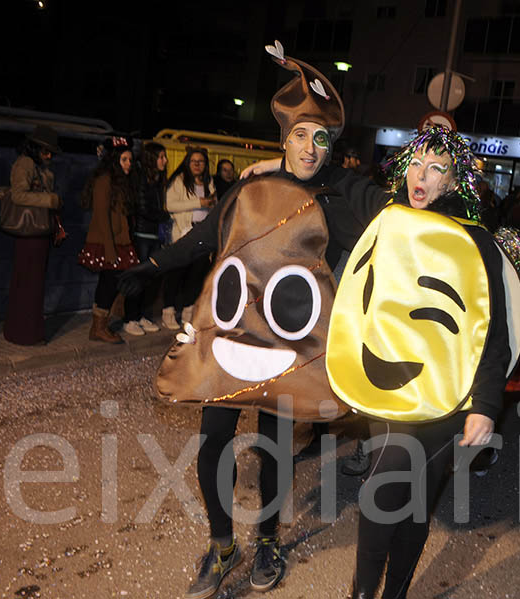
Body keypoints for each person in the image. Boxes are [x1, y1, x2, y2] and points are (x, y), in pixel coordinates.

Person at [120, 41, 389, 598]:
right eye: (300, 136)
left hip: (290, 347)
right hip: (233, 332)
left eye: (321, 138)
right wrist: (150, 266)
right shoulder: (248, 188)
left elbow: (390, 228)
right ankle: (222, 546)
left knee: (272, 445)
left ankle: (267, 538)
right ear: (283, 139)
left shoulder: (338, 195)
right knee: (214, 437)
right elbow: (204, 236)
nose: (311, 148)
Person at [325, 126, 511, 599]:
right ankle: (363, 594)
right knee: (381, 493)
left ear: (453, 182)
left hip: (446, 398)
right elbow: (342, 180)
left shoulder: (475, 241)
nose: (420, 176)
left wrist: (485, 404)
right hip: (388, 392)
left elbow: (494, 332)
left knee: (415, 506)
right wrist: (286, 160)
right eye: (414, 163)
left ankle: (396, 594)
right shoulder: (389, 219)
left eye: (435, 168)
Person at [3, 126, 63, 346]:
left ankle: (25, 331)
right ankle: (25, 333)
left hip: (38, 232)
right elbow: (18, 195)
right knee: (28, 283)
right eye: (45, 151)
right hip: (30, 232)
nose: (49, 156)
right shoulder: (25, 164)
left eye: (50, 152)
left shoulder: (37, 165)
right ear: (35, 148)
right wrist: (50, 200)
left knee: (32, 283)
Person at [77, 137, 140, 343]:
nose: (129, 163)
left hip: (120, 241)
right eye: (124, 159)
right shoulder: (104, 180)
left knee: (112, 283)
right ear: (114, 160)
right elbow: (102, 217)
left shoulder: (122, 181)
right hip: (107, 242)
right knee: (107, 283)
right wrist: (110, 250)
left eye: (130, 159)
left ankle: (100, 326)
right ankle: (98, 327)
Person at [162, 147, 216, 329]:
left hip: (202, 234)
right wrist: (198, 203)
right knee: (176, 274)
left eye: (201, 161)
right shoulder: (179, 181)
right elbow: (170, 205)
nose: (197, 165)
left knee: (197, 274)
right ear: (187, 162)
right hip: (183, 233)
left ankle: (188, 311)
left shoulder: (209, 182)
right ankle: (168, 311)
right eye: (194, 161)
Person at [123, 141, 169, 334]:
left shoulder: (158, 179)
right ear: (151, 158)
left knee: (150, 278)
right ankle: (130, 319)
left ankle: (142, 315)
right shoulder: (141, 177)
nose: (165, 161)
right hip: (142, 234)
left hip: (154, 234)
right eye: (161, 157)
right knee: (138, 277)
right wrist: (164, 216)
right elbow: (142, 208)